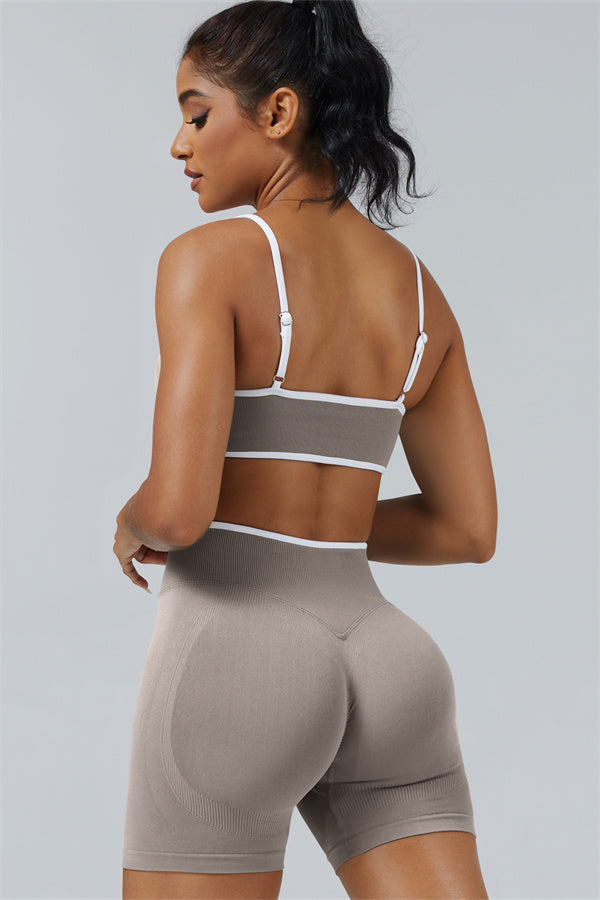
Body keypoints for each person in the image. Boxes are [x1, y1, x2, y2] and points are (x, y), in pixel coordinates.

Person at [113, 1, 497, 897]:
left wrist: (131, 520)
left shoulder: (209, 260)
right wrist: (317, 521)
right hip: (391, 663)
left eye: (197, 113)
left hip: (238, 656)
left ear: (279, 112)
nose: (179, 144)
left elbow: (179, 510)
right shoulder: (419, 293)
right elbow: (466, 530)